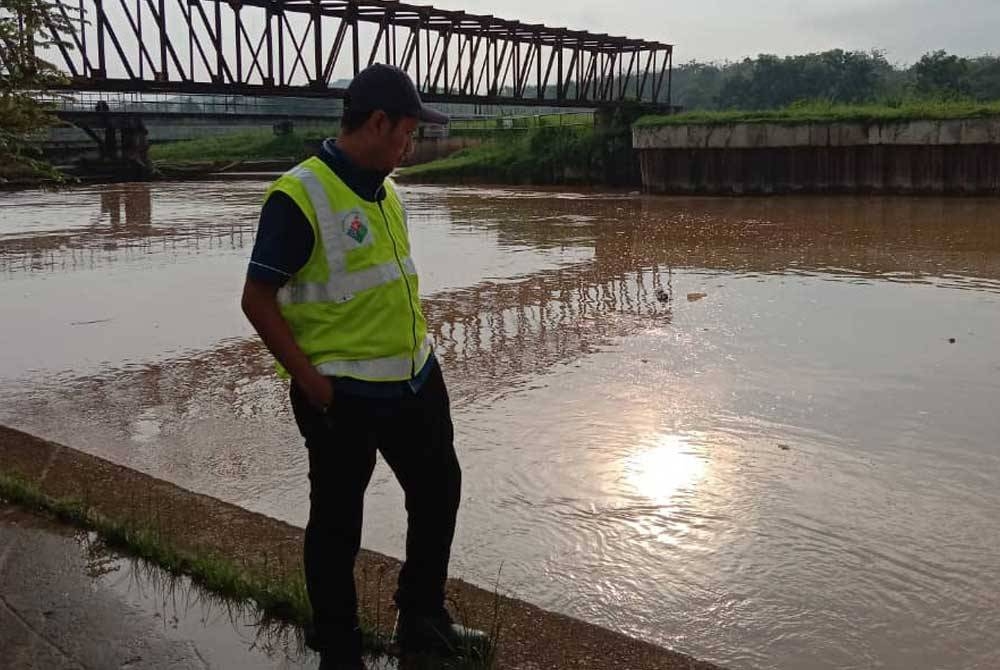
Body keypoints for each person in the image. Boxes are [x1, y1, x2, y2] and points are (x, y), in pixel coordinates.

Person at [241, 64, 485, 670]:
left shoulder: (386, 190)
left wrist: (422, 363)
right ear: (378, 122)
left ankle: (423, 620)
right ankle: (339, 645)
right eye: (407, 132)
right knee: (337, 522)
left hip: (414, 382)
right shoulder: (300, 196)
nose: (411, 145)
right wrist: (315, 386)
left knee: (438, 494)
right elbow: (257, 299)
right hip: (343, 396)